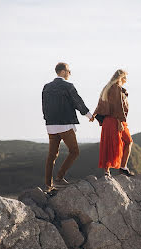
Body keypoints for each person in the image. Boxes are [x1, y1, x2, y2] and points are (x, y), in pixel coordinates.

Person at [42, 62, 93, 191]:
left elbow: (44, 107)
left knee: (52, 155)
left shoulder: (46, 87)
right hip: (64, 125)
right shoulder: (68, 86)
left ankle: (48, 185)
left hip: (51, 125)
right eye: (69, 71)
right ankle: (59, 178)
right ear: (63, 71)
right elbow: (78, 102)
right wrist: (89, 115)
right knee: (74, 151)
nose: (70, 74)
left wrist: (48, 120)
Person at [91, 69, 134, 177]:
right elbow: (118, 106)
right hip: (116, 120)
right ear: (121, 78)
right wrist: (120, 122)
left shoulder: (107, 88)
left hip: (107, 121)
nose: (126, 79)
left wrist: (94, 115)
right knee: (128, 141)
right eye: (125, 77)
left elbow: (100, 104)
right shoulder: (116, 88)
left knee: (108, 144)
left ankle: (107, 171)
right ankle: (123, 168)